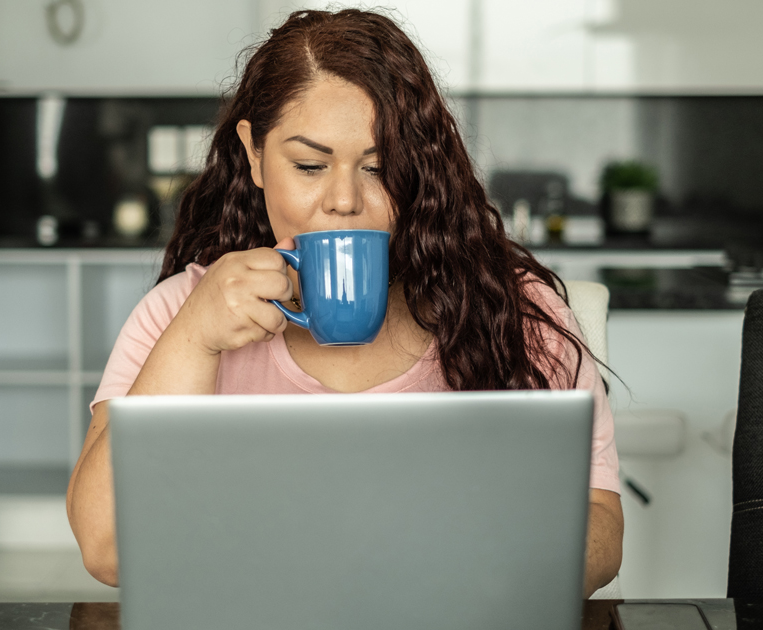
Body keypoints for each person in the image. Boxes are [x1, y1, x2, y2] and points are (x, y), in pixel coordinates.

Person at [66, 8, 623, 596]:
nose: (343, 201)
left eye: (380, 168)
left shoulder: (511, 310)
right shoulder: (177, 313)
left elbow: (602, 541)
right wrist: (193, 338)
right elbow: (107, 550)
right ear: (253, 154)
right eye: (309, 165)